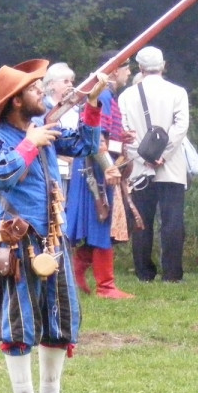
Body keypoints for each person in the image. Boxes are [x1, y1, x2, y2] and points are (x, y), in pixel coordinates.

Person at [0, 59, 108, 393]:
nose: (43, 93)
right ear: (16, 100)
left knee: (60, 318)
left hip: (53, 238)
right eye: (35, 90)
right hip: (16, 242)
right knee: (18, 322)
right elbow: (3, 175)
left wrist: (93, 104)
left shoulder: (43, 128)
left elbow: (84, 144)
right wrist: (30, 143)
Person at [66, 52, 135, 298]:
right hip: (95, 170)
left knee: (101, 224)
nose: (129, 71)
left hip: (97, 168)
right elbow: (97, 140)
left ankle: (78, 269)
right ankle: (105, 286)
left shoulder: (107, 95)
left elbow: (106, 135)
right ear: (115, 70)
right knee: (101, 222)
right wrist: (108, 167)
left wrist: (121, 137)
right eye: (126, 67)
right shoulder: (104, 93)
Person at [119, 46, 190, 282]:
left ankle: (144, 271)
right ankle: (172, 273)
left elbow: (125, 134)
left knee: (142, 221)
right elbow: (181, 128)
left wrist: (144, 157)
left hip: (140, 169)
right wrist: (164, 155)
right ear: (163, 65)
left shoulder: (126, 96)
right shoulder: (178, 92)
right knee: (172, 221)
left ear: (139, 68)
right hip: (171, 167)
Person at [42, 62, 79, 190]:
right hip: (54, 170)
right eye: (65, 81)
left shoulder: (76, 108)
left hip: (77, 170)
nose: (70, 85)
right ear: (51, 84)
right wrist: (61, 154)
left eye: (71, 81)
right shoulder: (42, 109)